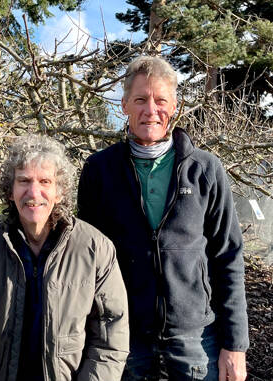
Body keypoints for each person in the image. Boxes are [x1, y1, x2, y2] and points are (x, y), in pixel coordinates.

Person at [78, 56, 248, 381]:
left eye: (160, 100)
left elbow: (228, 257)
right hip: (123, 335)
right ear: (125, 104)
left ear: (175, 106)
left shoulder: (205, 170)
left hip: (197, 337)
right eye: (140, 99)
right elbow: (88, 262)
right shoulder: (99, 171)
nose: (150, 110)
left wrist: (236, 346)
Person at [0, 134, 129, 381]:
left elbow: (110, 337)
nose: (33, 192)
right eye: (23, 180)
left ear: (59, 192)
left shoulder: (95, 248)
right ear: (10, 191)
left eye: (45, 181)